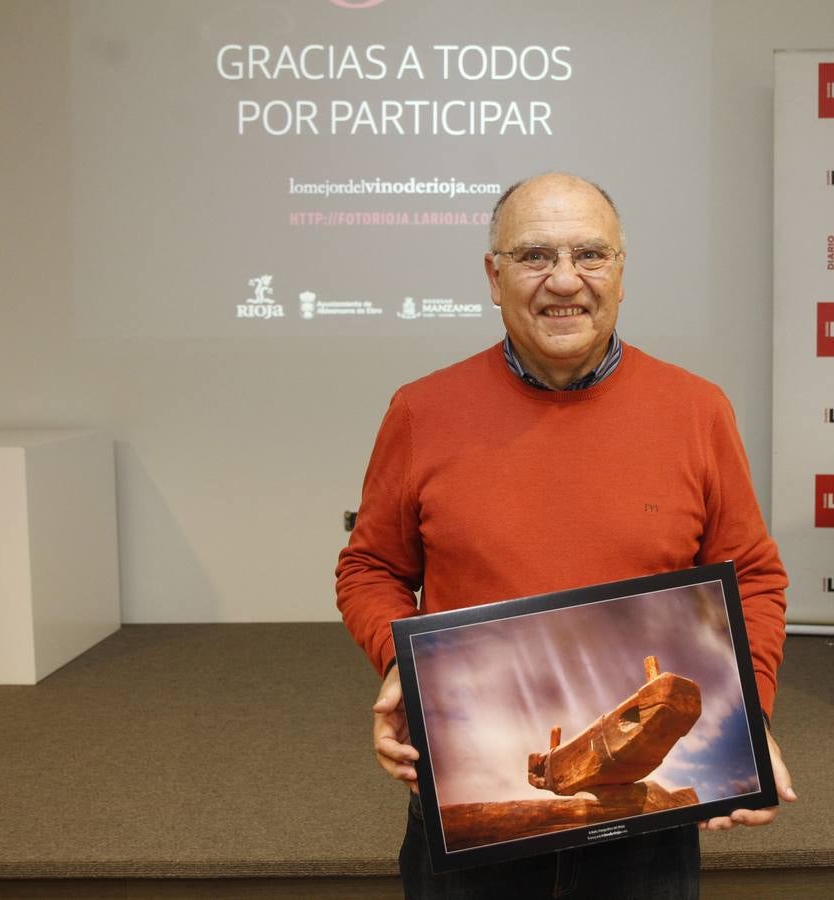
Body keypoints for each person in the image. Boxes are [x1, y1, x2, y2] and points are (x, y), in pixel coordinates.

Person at [336, 172, 796, 898]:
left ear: (621, 271)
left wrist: (751, 709)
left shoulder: (697, 410)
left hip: (643, 842)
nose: (564, 281)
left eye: (590, 254)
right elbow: (369, 568)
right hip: (470, 816)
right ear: (494, 276)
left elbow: (757, 577)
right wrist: (403, 664)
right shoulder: (421, 411)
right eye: (533, 256)